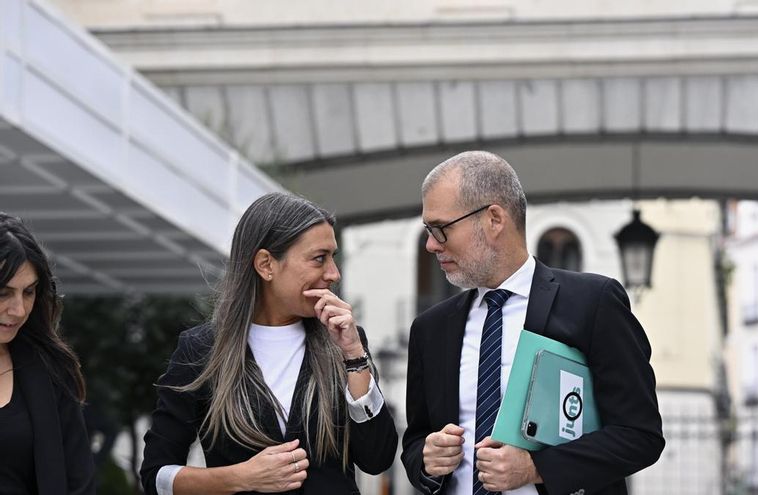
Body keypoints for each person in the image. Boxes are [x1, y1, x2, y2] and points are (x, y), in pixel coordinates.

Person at [401, 151, 664, 495]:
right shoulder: (431, 329)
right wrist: (426, 456)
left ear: (494, 219)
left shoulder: (592, 303)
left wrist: (536, 468)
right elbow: (414, 441)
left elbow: (640, 435)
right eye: (427, 230)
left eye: (440, 229)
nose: (431, 244)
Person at [140, 192, 397, 494]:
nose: (333, 274)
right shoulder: (201, 350)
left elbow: (377, 458)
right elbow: (157, 477)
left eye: (333, 257)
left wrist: (354, 355)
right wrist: (240, 477)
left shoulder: (344, 343)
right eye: (319, 258)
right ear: (266, 265)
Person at [0, 212, 96, 494]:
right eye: (3, 293)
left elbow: (80, 483)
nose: (18, 310)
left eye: (28, 292)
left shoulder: (51, 372)